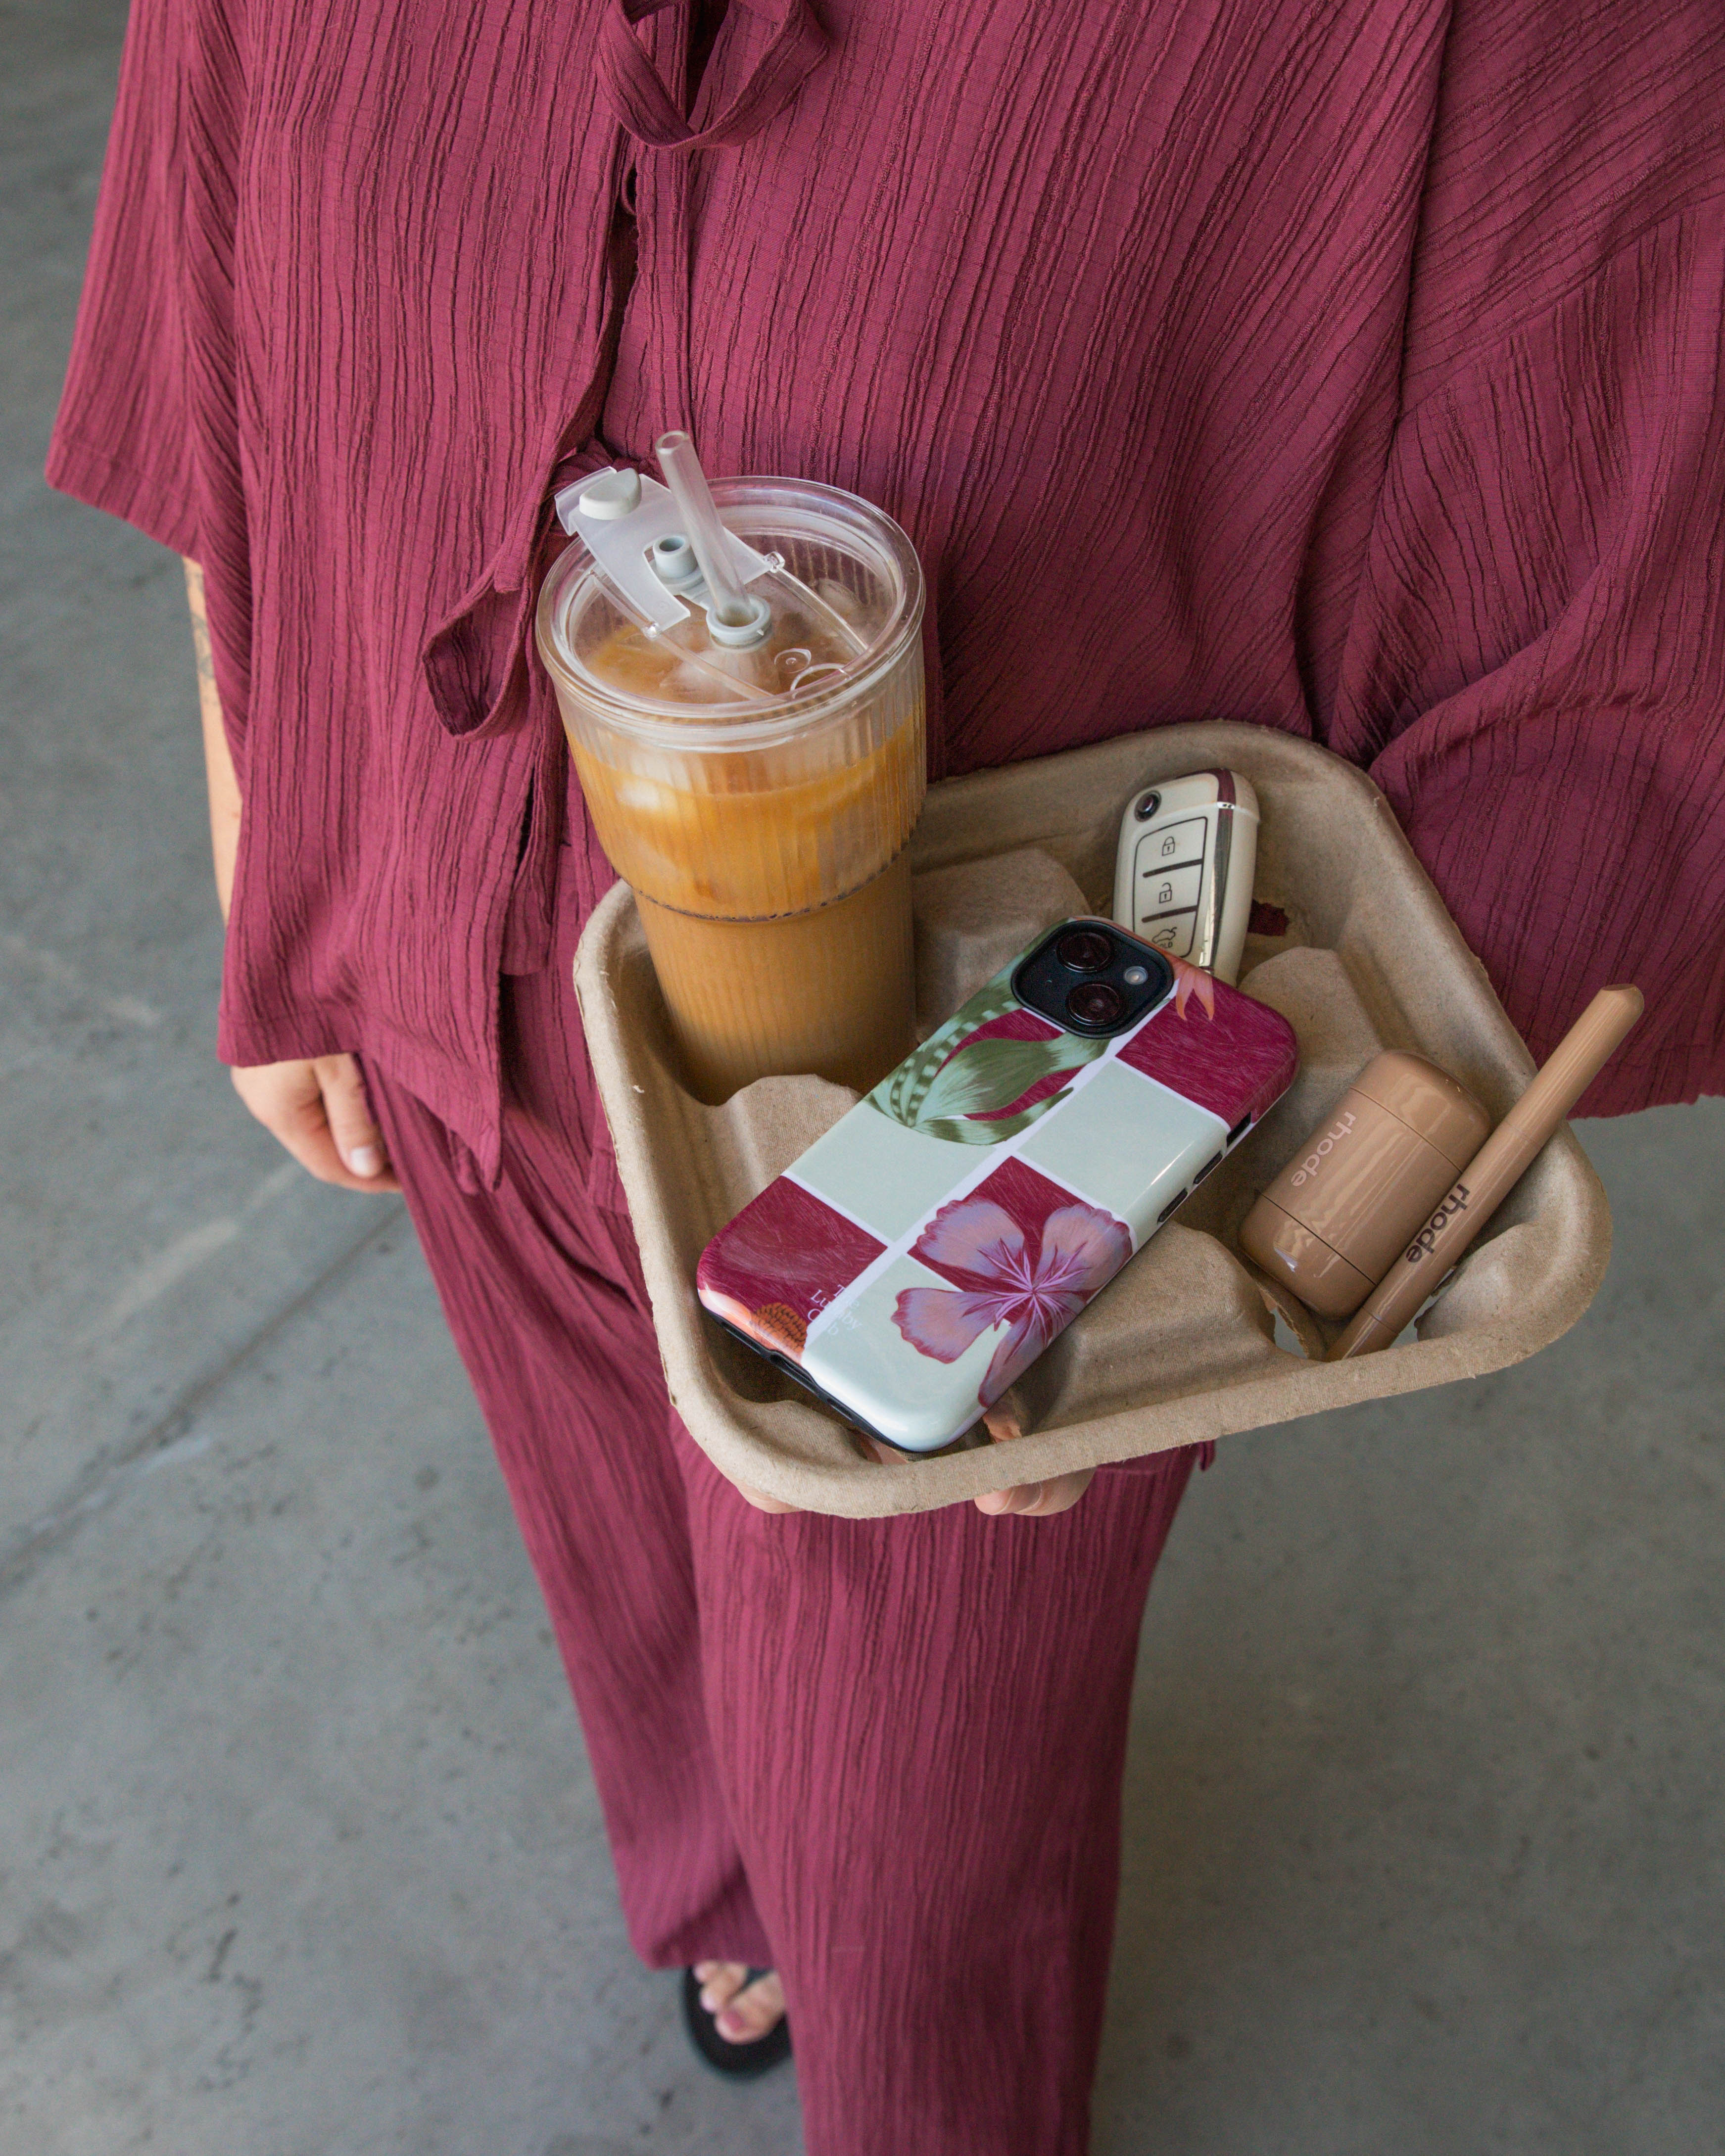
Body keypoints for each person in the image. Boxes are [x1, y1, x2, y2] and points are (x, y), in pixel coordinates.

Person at [51, 0, 1724, 2146]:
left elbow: (1623, 530)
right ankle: (717, 1873)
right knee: (605, 1519)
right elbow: (245, 200)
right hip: (433, 893)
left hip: (1000, 1054)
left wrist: (1195, 1238)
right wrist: (266, 793)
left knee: (917, 1779)